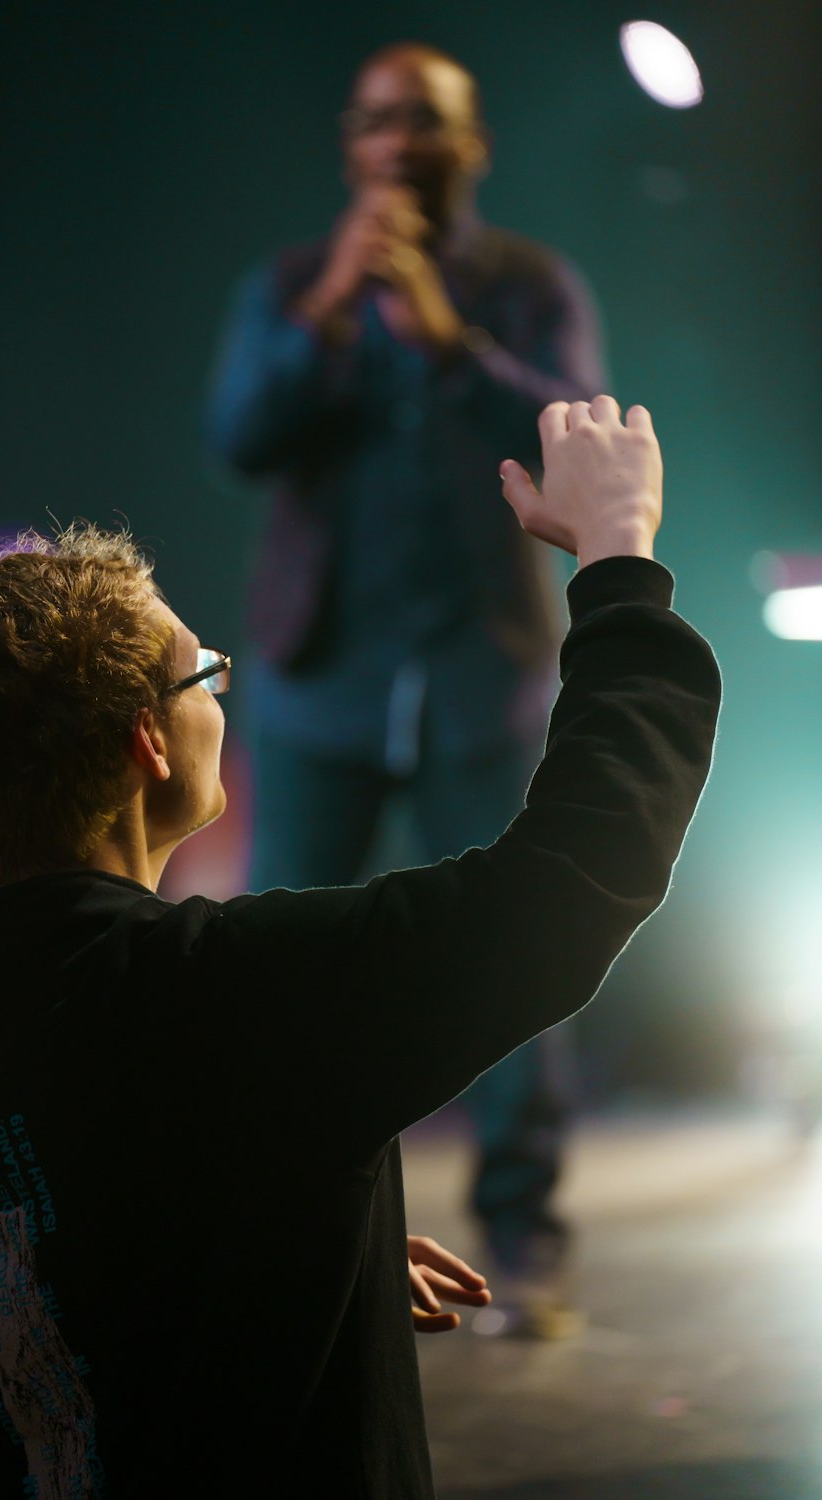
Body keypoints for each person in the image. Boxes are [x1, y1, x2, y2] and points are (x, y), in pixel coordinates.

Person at [0, 396, 720, 1499]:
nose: (226, 686)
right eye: (204, 672)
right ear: (148, 741)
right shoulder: (257, 999)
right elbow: (582, 865)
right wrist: (619, 555)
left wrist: (265, 1234)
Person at [204, 41, 609, 1332]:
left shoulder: (526, 287)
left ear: (470, 144)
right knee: (280, 963)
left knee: (505, 952)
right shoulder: (286, 287)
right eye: (378, 122)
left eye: (424, 123)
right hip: (320, 678)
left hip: (477, 672)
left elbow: (574, 432)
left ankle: (521, 1240)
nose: (399, 144)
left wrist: (448, 344)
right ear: (351, 148)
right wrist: (330, 300)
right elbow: (237, 435)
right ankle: (273, 1227)